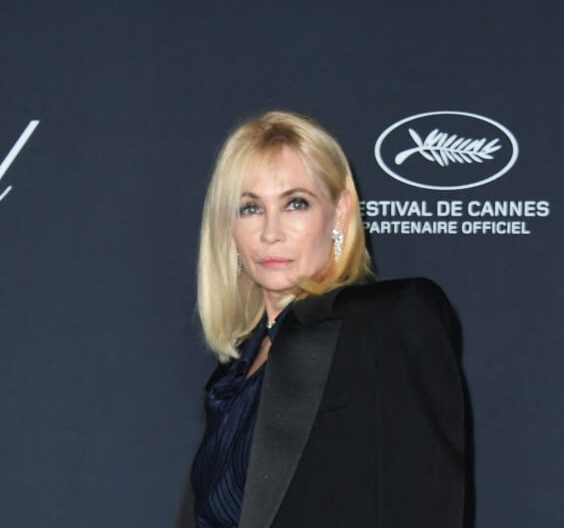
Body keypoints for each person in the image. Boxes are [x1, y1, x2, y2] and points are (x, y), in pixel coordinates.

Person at [176, 110, 465, 527]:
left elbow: (425, 504)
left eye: (295, 203)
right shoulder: (231, 374)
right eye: (250, 208)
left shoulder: (388, 321)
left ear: (340, 212)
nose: (270, 232)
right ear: (229, 227)